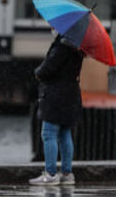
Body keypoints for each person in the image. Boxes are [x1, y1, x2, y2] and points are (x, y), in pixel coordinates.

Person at [29, 31, 84, 186]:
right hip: (71, 94)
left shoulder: (62, 47)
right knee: (65, 133)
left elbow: (48, 69)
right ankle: (67, 173)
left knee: (48, 133)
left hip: (56, 94)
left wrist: (38, 72)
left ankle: (51, 173)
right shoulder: (77, 46)